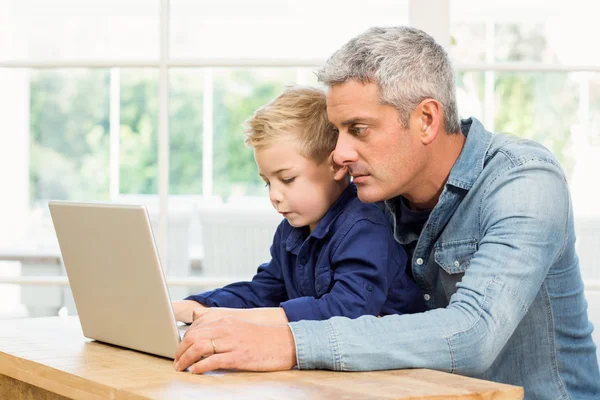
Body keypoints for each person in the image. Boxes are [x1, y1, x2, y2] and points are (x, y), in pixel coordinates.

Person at [173, 27, 600, 399]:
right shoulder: (375, 195)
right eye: (337, 132)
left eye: (358, 130)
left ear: (427, 120)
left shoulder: (524, 181)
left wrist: (289, 342)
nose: (338, 154)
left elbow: (473, 335)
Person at [173, 86, 426, 328]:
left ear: (336, 166)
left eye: (287, 179)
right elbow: (264, 291)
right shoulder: (290, 232)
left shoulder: (364, 228)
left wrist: (237, 319)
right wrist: (198, 306)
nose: (274, 195)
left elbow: (347, 311)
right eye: (267, 183)